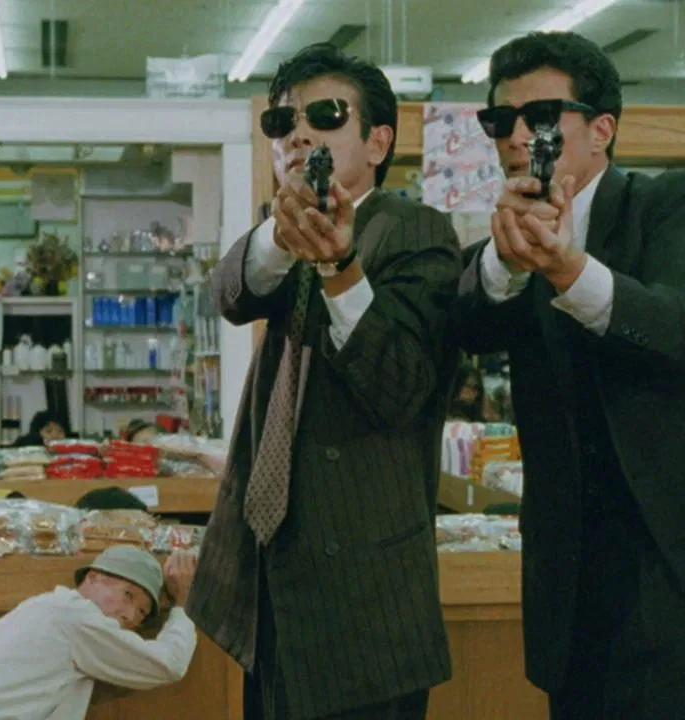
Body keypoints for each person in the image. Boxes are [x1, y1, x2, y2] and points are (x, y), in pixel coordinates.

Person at [454, 31, 685, 719]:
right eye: (500, 120)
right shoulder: (510, 240)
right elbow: (463, 328)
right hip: (574, 582)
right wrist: (505, 262)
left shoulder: (681, 203)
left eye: (541, 117)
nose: (518, 137)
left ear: (602, 130)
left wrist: (568, 268)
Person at [187, 43, 460, 720]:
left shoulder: (414, 231)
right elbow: (229, 294)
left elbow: (400, 384)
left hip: (364, 596)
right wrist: (280, 238)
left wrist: (342, 267)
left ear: (378, 141)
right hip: (269, 585)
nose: (298, 134)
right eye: (282, 123)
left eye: (327, 116)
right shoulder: (282, 233)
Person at [0, 547, 197, 720]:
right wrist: (183, 603)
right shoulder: (77, 617)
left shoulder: (46, 606)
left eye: (142, 612)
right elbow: (169, 663)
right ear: (93, 578)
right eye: (127, 594)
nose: (130, 615)